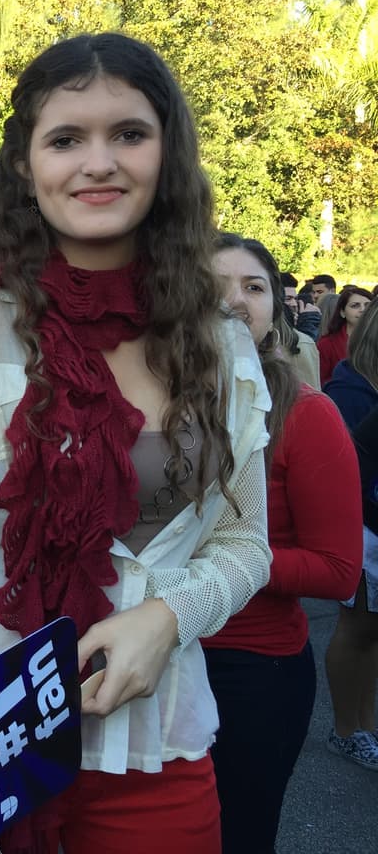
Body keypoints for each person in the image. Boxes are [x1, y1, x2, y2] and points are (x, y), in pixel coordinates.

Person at [0, 33, 272, 854]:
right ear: (27, 166)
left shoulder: (220, 342)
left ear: (166, 154)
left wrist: (170, 615)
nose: (97, 162)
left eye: (128, 134)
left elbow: (248, 545)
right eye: (66, 138)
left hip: (157, 749)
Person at [203, 233, 362, 852]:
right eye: (216, 285)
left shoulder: (305, 414)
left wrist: (221, 562)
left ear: (278, 309)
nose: (236, 301)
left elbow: (338, 570)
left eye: (254, 287)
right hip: (146, 663)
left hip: (251, 672)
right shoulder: (145, 404)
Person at [323, 303, 378, 771]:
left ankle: (366, 723)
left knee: (373, 634)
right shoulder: (351, 389)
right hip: (363, 528)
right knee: (357, 629)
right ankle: (346, 729)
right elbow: (346, 471)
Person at [318, 284, 371, 384]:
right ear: (342, 312)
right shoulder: (327, 344)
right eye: (355, 305)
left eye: (368, 305)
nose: (363, 309)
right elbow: (320, 382)